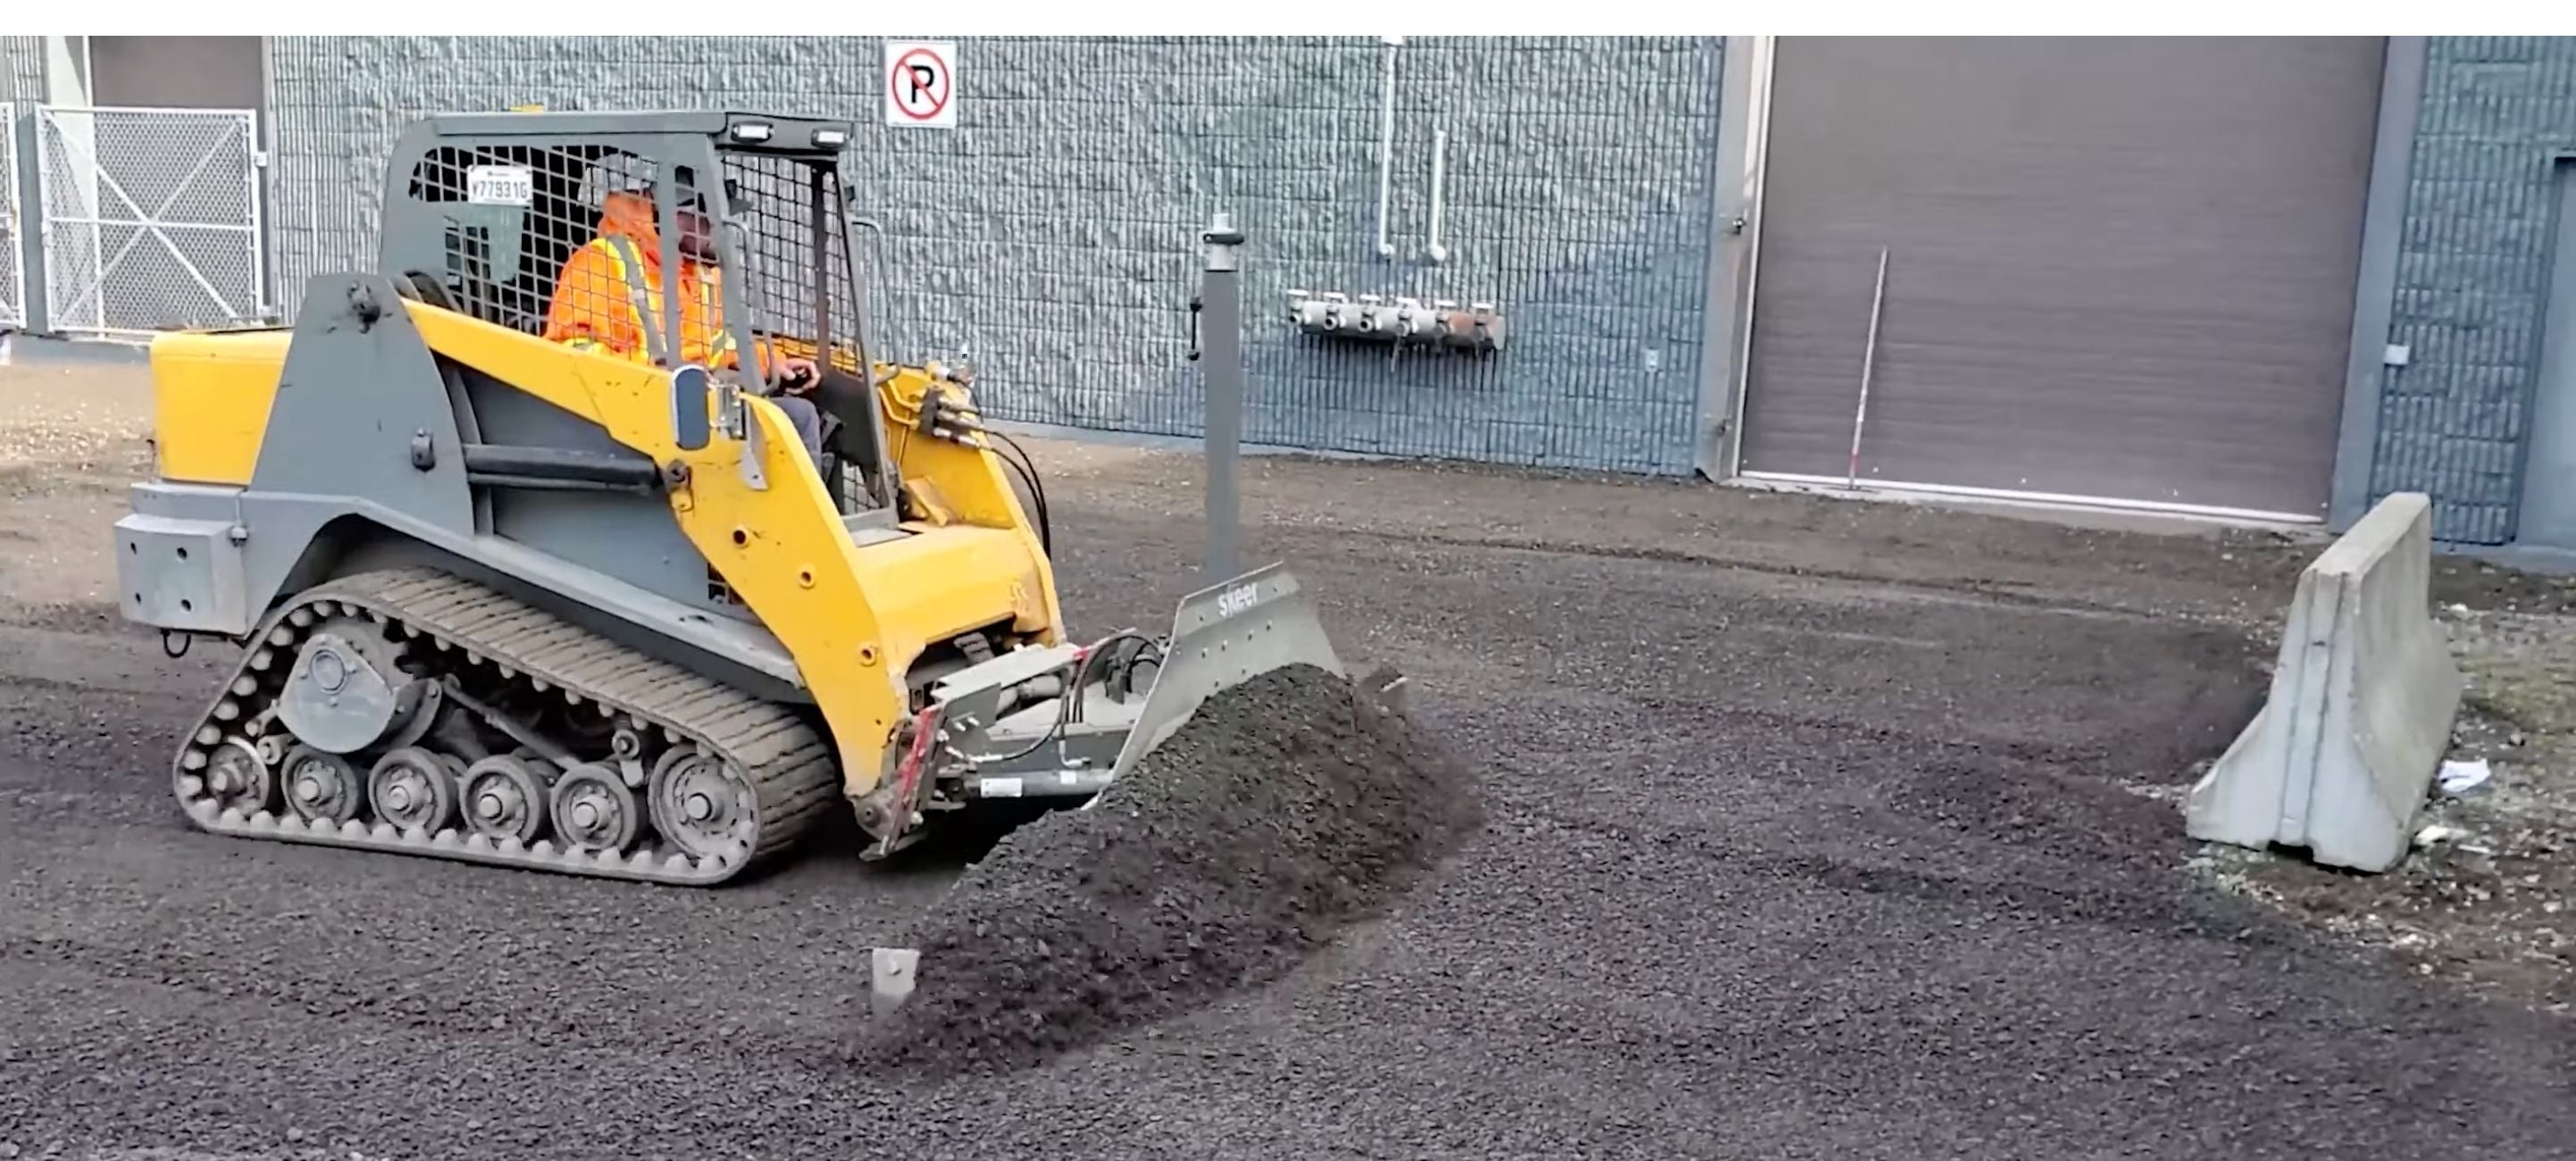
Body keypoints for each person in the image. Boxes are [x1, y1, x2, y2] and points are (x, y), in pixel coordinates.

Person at [540, 188, 834, 468]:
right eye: (713, 222)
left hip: (692, 403)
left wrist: (770, 363)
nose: (721, 234)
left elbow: (713, 344)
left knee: (801, 414)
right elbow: (568, 351)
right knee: (790, 418)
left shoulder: (701, 271)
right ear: (679, 217)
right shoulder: (601, 262)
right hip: (626, 411)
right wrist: (653, 373)